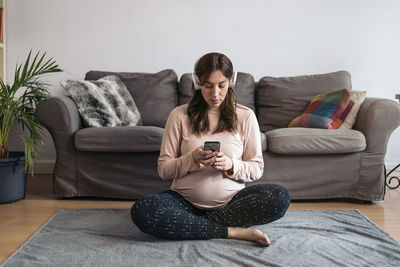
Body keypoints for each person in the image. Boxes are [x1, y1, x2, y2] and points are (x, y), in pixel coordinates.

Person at [131, 52, 290, 246]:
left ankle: (193, 227)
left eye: (221, 86)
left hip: (232, 203)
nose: (215, 94)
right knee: (143, 210)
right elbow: (164, 169)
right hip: (184, 202)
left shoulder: (246, 116)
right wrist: (192, 159)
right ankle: (232, 232)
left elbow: (256, 168)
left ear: (230, 82)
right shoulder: (179, 116)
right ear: (198, 84)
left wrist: (230, 165)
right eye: (208, 86)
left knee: (279, 196)